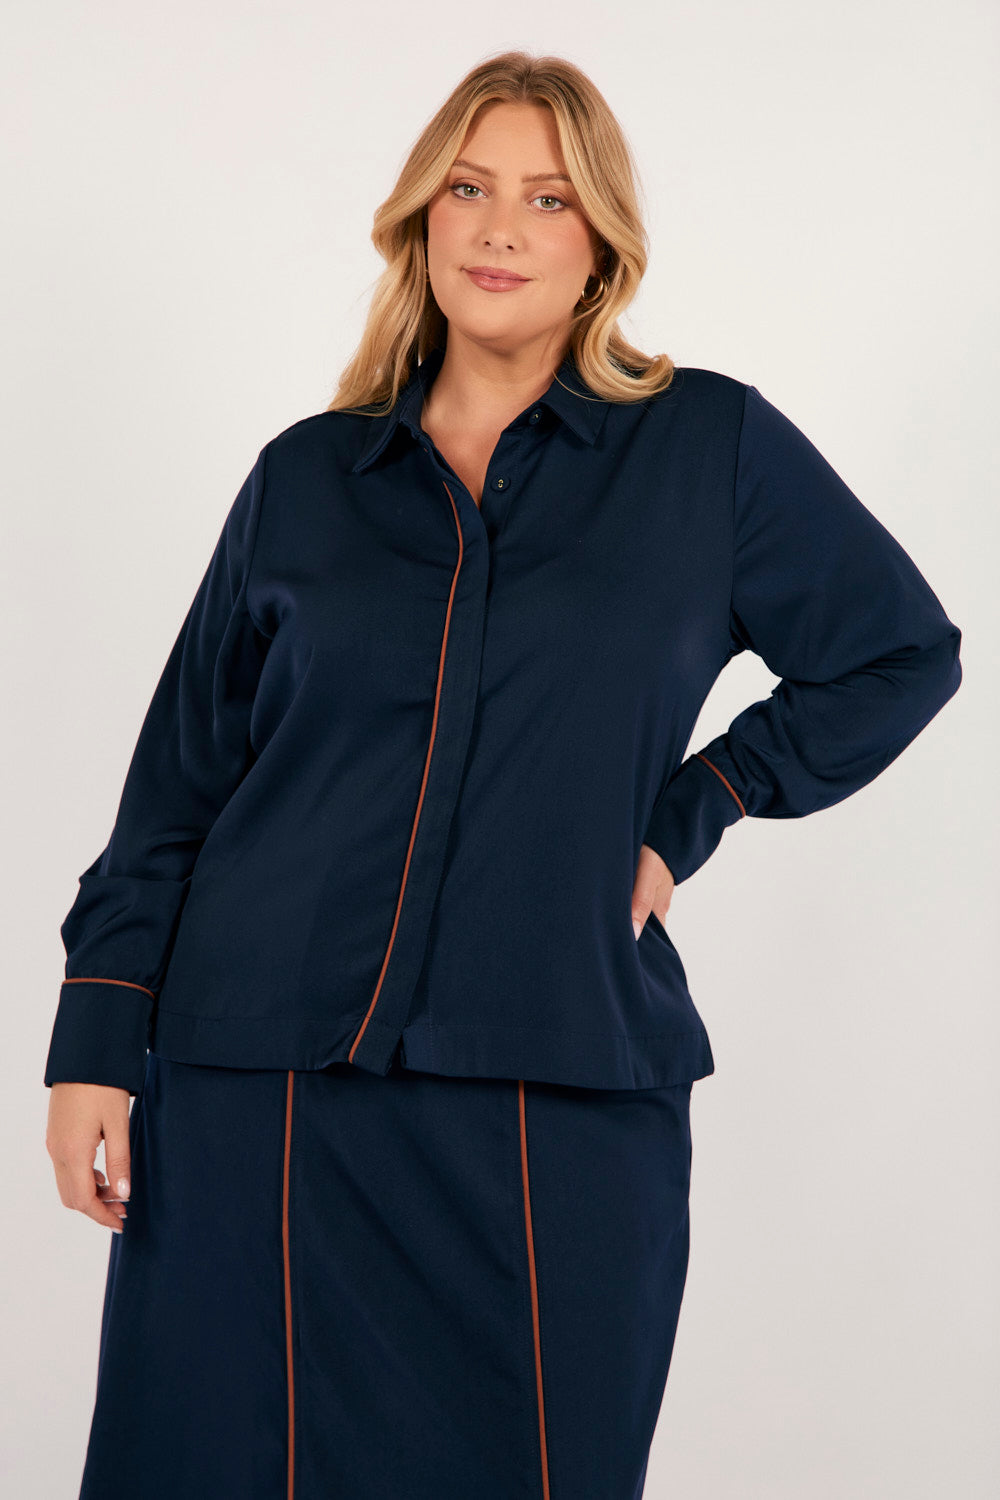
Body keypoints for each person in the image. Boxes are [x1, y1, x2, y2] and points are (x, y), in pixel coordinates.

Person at [43, 48, 963, 1500]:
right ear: (421, 216)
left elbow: (898, 652)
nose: (501, 229)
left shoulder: (707, 449)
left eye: (548, 198)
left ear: (602, 242)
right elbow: (178, 786)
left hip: (558, 1087)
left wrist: (694, 811)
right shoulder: (307, 478)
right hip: (257, 1093)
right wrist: (96, 1038)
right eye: (469, 189)